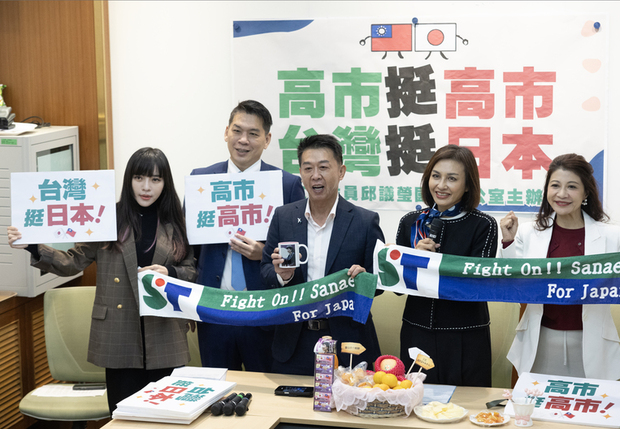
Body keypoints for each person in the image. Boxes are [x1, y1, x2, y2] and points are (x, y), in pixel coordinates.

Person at [7, 147, 196, 413]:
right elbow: (73, 261)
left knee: (168, 416)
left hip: (164, 331)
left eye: (155, 179)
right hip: (118, 332)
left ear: (165, 183)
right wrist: (34, 247)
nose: (146, 187)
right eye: (139, 178)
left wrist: (171, 273)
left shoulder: (176, 223)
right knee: (123, 417)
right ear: (128, 179)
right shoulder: (106, 217)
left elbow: (191, 269)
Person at [500, 153, 620, 380]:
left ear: (586, 192)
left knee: (588, 403)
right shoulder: (528, 233)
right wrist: (508, 241)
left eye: (571, 186)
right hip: (539, 341)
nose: (562, 194)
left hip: (592, 344)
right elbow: (512, 284)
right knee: (537, 402)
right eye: (555, 185)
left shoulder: (612, 236)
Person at [190, 100, 304, 372]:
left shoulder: (286, 184)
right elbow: (189, 250)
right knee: (217, 390)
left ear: (267, 140)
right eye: (237, 131)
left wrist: (264, 254)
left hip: (264, 312)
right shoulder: (201, 180)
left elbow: (298, 249)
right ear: (226, 132)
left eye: (253, 134)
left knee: (265, 390)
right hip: (214, 311)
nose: (243, 140)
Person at [260, 134, 384, 375]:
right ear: (301, 173)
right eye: (308, 168)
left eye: (324, 167)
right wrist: (282, 276)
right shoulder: (284, 217)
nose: (315, 175)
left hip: (347, 342)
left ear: (341, 171)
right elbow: (265, 270)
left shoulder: (365, 221)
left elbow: (379, 283)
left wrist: (364, 280)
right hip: (294, 340)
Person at [395, 145, 497, 387]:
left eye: (452, 178)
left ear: (468, 185)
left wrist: (433, 263)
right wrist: (411, 259)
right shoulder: (411, 222)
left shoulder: (483, 225)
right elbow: (397, 287)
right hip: (417, 330)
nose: (441, 185)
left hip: (465, 335)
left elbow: (478, 287)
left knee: (466, 403)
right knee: (414, 398)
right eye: (436, 176)